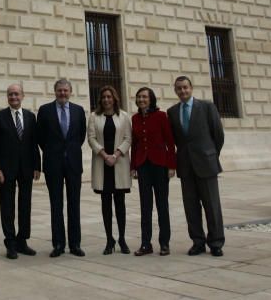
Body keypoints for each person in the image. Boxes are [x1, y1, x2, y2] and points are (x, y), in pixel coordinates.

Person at [167, 76, 225, 257]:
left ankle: (216, 242)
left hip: (206, 164)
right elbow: (175, 139)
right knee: (191, 207)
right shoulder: (172, 112)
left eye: (185, 87)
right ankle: (197, 242)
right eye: (179, 88)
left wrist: (210, 154)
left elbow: (218, 135)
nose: (182, 91)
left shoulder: (207, 107)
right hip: (185, 165)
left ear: (191, 88)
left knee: (212, 205)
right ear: (175, 91)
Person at [36, 78, 87, 258]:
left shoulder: (78, 111)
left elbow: (80, 136)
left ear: (70, 91)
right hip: (53, 164)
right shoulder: (44, 110)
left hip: (73, 164)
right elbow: (40, 137)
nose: (62, 93)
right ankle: (58, 244)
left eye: (65, 90)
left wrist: (69, 151)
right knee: (56, 205)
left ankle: (75, 244)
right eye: (59, 91)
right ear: (55, 91)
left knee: (74, 204)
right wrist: (53, 151)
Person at [0, 83, 40, 259]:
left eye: (16, 94)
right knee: (7, 206)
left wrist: (37, 166)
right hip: (6, 170)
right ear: (7, 97)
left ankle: (22, 240)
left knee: (25, 205)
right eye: (10, 94)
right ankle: (10, 242)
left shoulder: (30, 117)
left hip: (26, 168)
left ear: (22, 96)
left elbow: (34, 144)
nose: (13, 97)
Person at [130, 86, 175, 256]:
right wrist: (133, 166)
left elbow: (170, 143)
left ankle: (164, 243)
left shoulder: (161, 116)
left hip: (160, 164)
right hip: (143, 165)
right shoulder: (134, 118)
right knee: (145, 205)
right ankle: (145, 244)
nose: (141, 99)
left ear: (151, 99)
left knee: (162, 205)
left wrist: (171, 166)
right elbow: (134, 144)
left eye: (144, 97)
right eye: (139, 97)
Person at [88, 86, 132, 255]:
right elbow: (91, 138)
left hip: (119, 164)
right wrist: (105, 155)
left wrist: (116, 154)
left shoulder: (124, 116)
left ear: (114, 99)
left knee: (120, 204)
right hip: (102, 164)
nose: (106, 100)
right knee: (106, 204)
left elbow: (128, 138)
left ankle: (122, 238)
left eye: (109, 97)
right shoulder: (94, 117)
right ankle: (109, 240)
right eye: (104, 97)